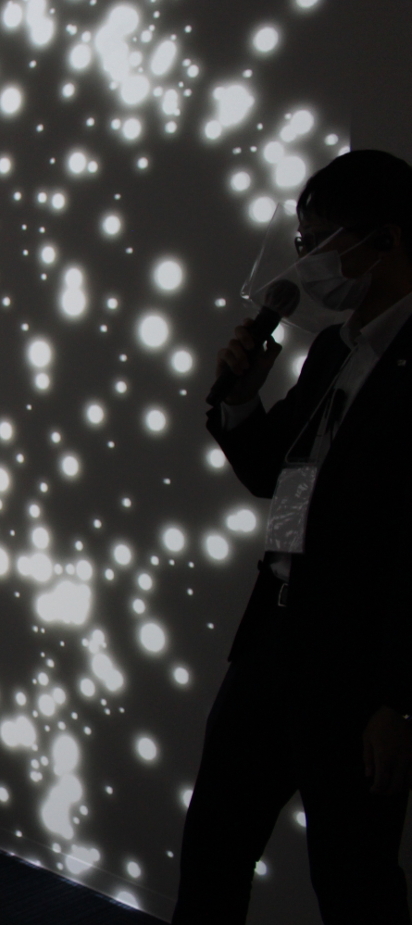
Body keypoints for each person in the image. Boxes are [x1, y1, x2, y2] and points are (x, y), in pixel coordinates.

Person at [172, 149, 412, 923]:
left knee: (353, 877)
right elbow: (276, 472)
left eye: (320, 243)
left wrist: (398, 700)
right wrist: (240, 399)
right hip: (272, 640)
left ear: (385, 239)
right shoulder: (335, 347)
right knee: (213, 846)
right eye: (301, 243)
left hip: (356, 672)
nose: (306, 265)